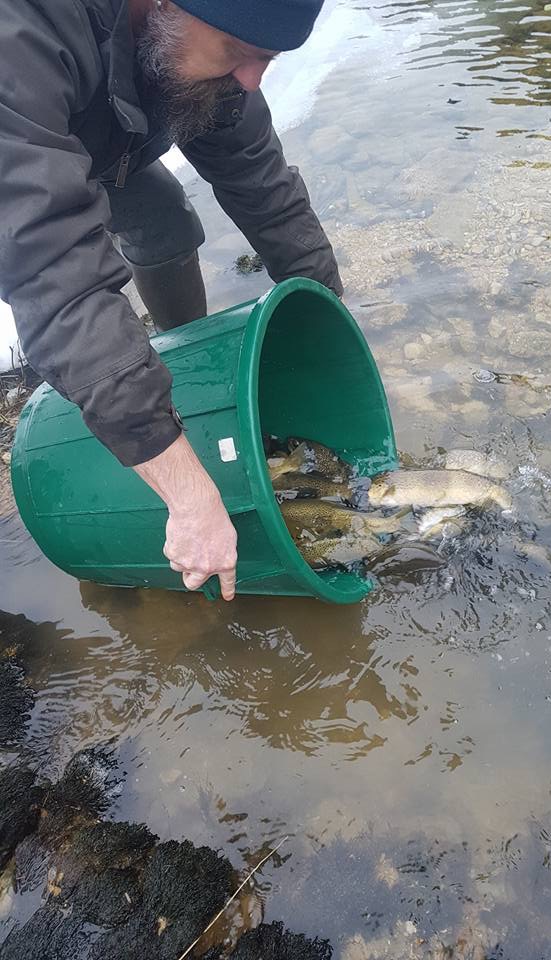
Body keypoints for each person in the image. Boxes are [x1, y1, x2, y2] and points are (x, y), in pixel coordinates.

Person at [0, 0, 344, 601]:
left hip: (94, 142)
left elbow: (262, 183)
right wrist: (187, 494)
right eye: (238, 52)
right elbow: (54, 268)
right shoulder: (24, 34)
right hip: (20, 158)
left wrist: (331, 320)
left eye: (268, 60)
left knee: (164, 221)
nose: (252, 79)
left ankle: (180, 370)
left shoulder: (211, 44)